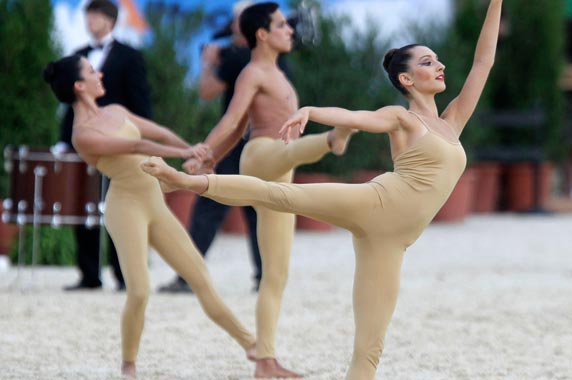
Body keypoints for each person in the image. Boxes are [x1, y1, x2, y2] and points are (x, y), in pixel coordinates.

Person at [140, 1, 502, 379]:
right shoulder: (402, 118)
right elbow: (359, 118)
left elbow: (483, 63)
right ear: (407, 80)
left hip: (391, 242)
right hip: (376, 203)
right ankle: (183, 181)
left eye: (437, 60)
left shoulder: (453, 120)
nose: (440, 65)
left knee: (370, 347)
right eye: (428, 62)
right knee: (279, 195)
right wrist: (313, 111)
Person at [43, 55, 257, 379]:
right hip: (125, 207)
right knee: (140, 291)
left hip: (154, 204)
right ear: (79, 86)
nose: (99, 73)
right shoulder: (81, 134)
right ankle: (129, 365)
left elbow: (157, 131)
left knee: (199, 275)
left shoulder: (115, 110)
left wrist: (196, 153)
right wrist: (183, 154)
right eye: (91, 71)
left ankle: (253, 346)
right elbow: (135, 146)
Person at [180, 2, 355, 377]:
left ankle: (266, 361)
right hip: (260, 156)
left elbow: (237, 124)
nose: (290, 30)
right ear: (262, 34)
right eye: (281, 25)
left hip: (282, 170)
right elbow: (232, 120)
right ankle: (330, 140)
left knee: (275, 274)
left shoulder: (277, 73)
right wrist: (205, 153)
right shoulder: (252, 72)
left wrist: (211, 160)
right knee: (287, 150)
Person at [158, 0, 276, 294]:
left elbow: (208, 92)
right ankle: (267, 278)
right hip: (267, 142)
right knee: (261, 208)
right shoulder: (272, 55)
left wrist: (208, 62)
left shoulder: (237, 57)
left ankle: (187, 276)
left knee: (209, 204)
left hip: (239, 144)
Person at [59, 0, 152, 291]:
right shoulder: (78, 56)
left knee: (120, 207)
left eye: (96, 16)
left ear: (110, 20)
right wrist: (64, 141)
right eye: (88, 15)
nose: (90, 21)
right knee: (84, 204)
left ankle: (124, 275)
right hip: (85, 142)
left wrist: (139, 141)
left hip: (118, 141)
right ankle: (89, 274)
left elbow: (140, 103)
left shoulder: (130, 56)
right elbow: (69, 104)